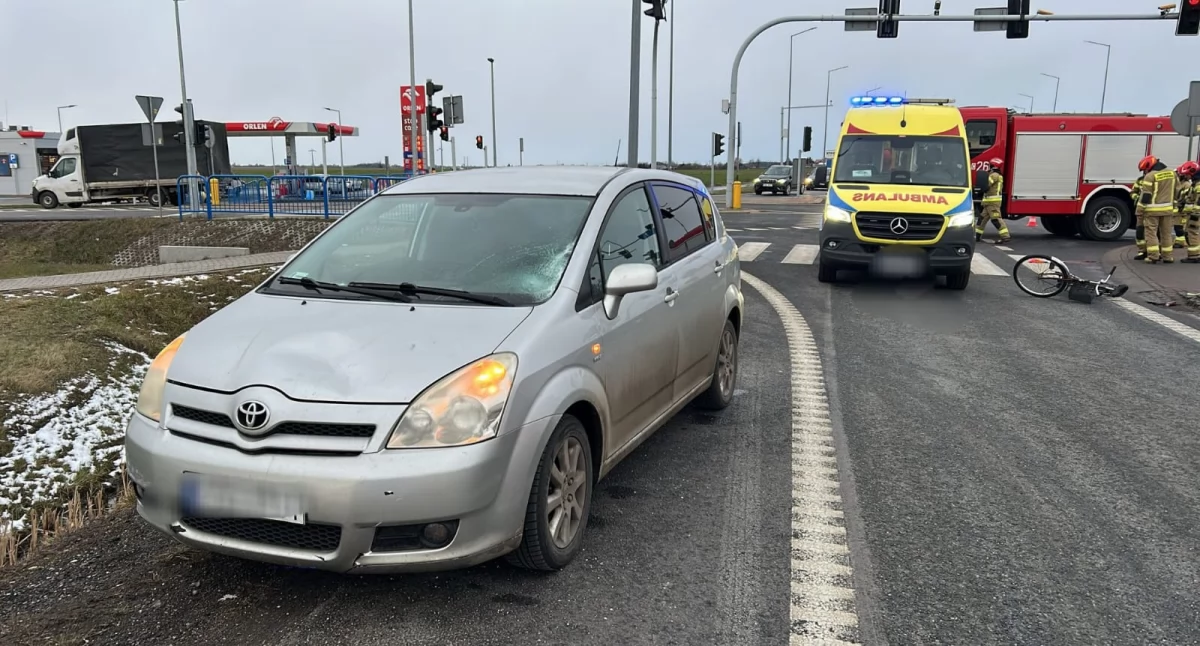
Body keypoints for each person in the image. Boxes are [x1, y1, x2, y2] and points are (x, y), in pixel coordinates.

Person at [1137, 155, 1177, 264]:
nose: (1145, 172)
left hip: (1152, 210)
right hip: (1168, 210)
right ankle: (1168, 257)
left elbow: (1145, 196)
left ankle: (1153, 256)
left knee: (1151, 233)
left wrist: (1140, 210)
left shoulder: (1150, 176)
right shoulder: (1172, 173)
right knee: (1166, 233)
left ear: (1149, 166)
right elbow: (1177, 191)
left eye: (1145, 169)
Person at [975, 157, 1011, 243]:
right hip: (989, 202)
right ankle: (976, 236)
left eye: (990, 165)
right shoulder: (997, 175)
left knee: (996, 219)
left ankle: (1005, 236)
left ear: (993, 165)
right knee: (982, 219)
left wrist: (979, 187)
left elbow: (986, 185)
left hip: (992, 202)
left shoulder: (993, 175)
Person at [1180, 161, 1200, 263]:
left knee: (1192, 233)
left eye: (1187, 174)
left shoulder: (1198, 185)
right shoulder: (1195, 183)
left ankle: (1194, 256)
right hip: (1192, 214)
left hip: (1195, 215)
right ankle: (1194, 255)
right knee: (1189, 233)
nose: (1186, 177)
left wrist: (1195, 215)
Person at [1131, 174, 1147, 259]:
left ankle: (1153, 252)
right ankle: (1142, 251)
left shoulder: (1155, 179)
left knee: (1151, 233)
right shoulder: (1140, 180)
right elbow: (1133, 191)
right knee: (1140, 231)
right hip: (1140, 210)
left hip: (1151, 211)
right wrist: (1137, 198)